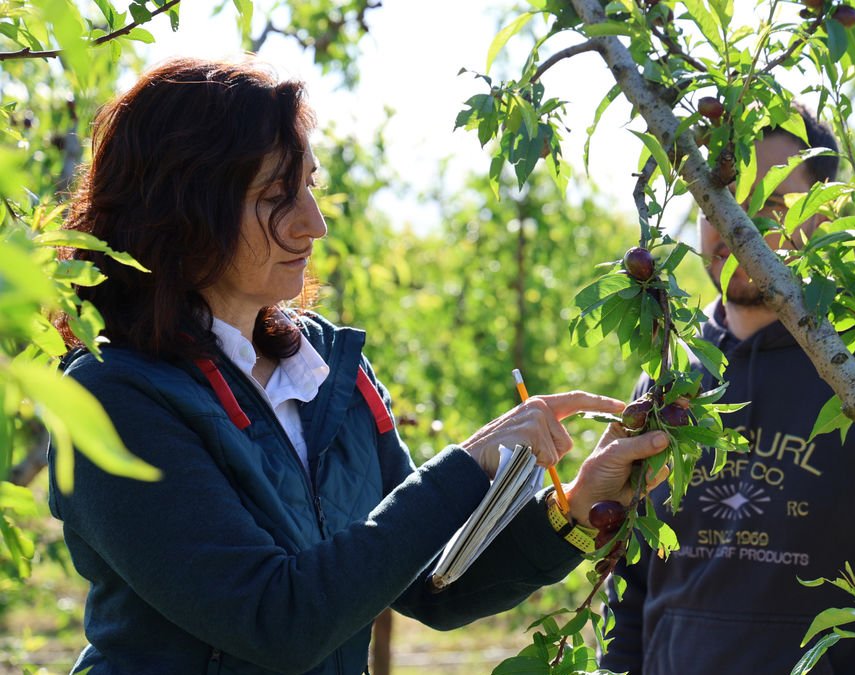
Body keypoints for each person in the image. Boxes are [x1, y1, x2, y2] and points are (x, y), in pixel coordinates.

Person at [47, 57, 670, 675]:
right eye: (275, 197)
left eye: (309, 187)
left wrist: (581, 504)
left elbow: (430, 582)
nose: (313, 224)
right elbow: (276, 620)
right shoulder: (112, 402)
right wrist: (466, 465)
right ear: (181, 207)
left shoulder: (324, 370)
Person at [600, 107, 855, 674]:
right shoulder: (673, 372)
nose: (740, 224)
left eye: (771, 203)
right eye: (721, 196)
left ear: (824, 212)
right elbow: (632, 582)